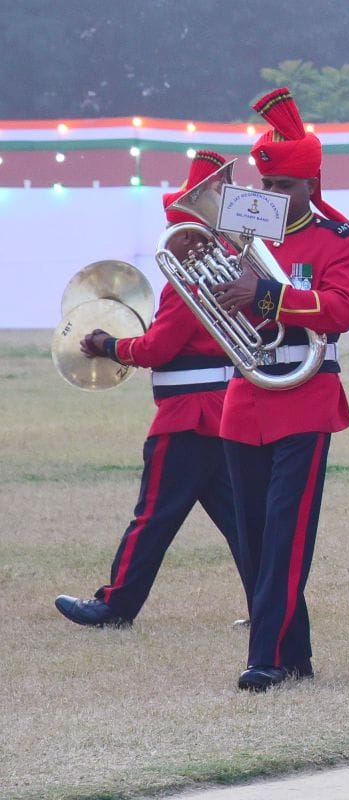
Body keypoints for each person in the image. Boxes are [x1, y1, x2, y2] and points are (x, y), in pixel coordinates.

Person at [211, 86, 349, 690]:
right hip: (246, 392)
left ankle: (266, 658)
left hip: (305, 392)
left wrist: (269, 294)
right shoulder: (242, 236)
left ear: (310, 184)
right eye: (267, 184)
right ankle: (293, 653)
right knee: (253, 536)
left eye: (284, 187)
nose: (272, 195)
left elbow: (342, 310)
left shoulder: (339, 238)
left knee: (285, 532)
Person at [54, 151, 244, 629]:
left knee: (153, 516)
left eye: (176, 231)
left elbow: (157, 349)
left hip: (187, 417)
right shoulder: (228, 275)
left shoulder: (187, 285)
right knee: (241, 521)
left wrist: (108, 344)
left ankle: (115, 605)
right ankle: (269, 602)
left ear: (190, 236)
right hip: (220, 412)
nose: (169, 240)